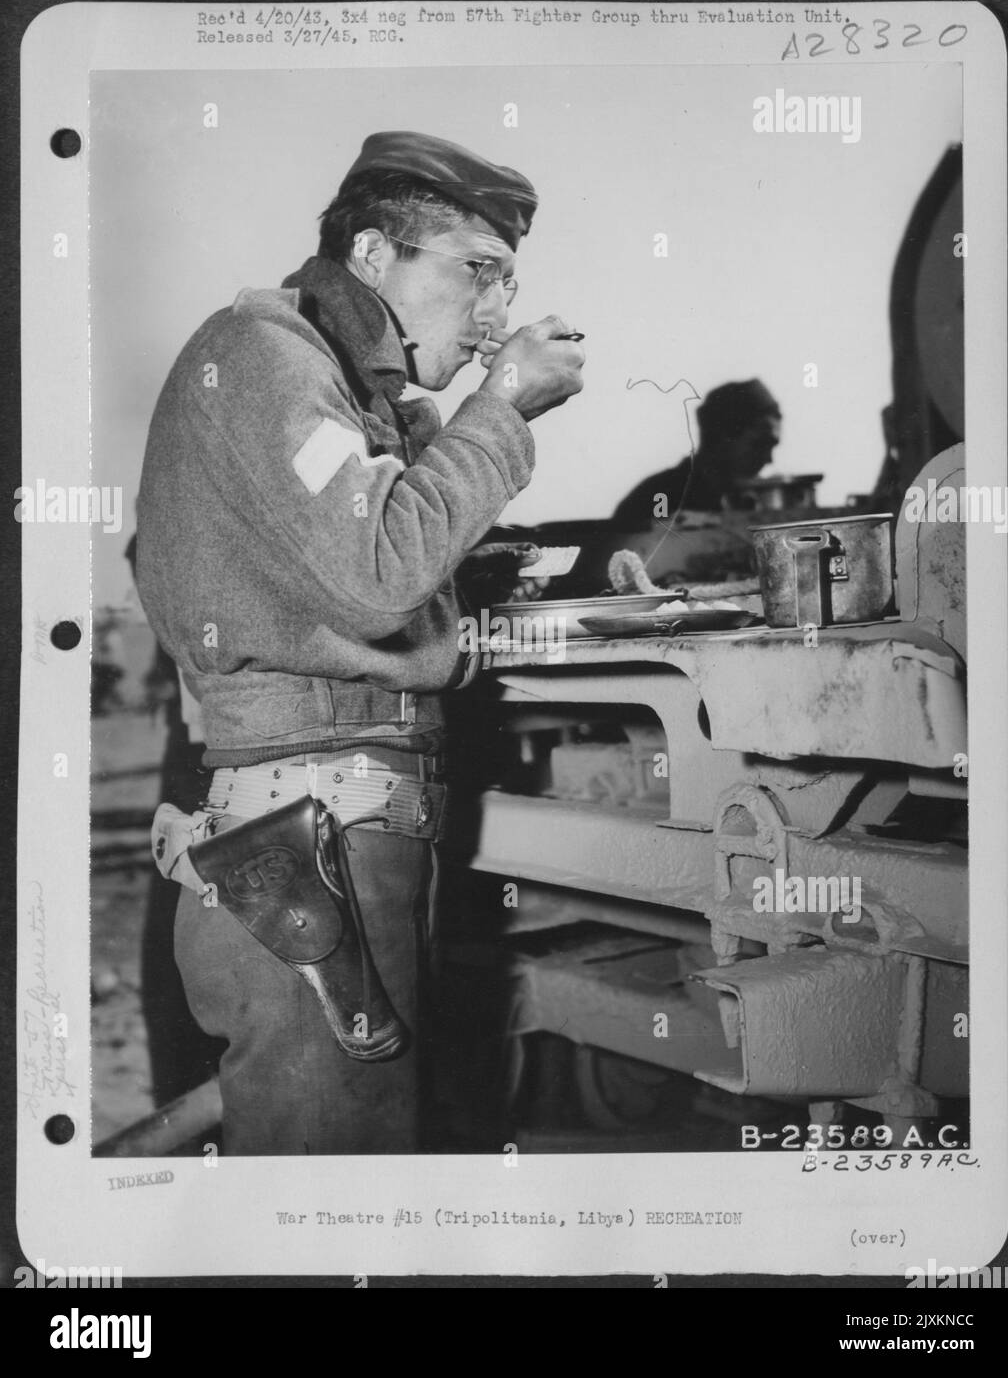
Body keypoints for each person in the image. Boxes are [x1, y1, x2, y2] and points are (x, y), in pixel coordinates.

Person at [135, 131, 584, 1154]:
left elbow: (398, 572)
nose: (495, 315)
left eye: (507, 283)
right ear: (374, 256)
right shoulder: (261, 352)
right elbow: (380, 571)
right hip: (314, 839)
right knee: (330, 1189)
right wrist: (501, 406)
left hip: (333, 832)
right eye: (477, 272)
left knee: (343, 1158)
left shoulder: (339, 389)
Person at [610, 379, 781, 527]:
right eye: (760, 445)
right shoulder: (659, 495)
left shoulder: (761, 502)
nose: (768, 459)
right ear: (722, 437)